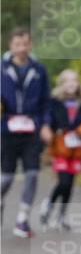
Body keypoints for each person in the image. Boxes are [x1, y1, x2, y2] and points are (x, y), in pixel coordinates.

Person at [1, 28, 52, 238]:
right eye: (17, 44)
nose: (22, 48)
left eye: (25, 44)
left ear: (30, 45)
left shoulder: (39, 70)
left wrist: (47, 124)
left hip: (32, 129)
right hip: (7, 129)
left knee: (32, 174)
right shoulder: (2, 68)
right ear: (10, 46)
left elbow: (46, 101)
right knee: (6, 177)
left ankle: (22, 219)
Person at [39, 69, 81, 230]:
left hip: (76, 149)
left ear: (78, 84)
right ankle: (49, 205)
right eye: (67, 81)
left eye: (74, 80)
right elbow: (48, 118)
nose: (71, 84)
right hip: (60, 147)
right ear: (61, 85)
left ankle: (62, 215)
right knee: (63, 181)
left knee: (70, 184)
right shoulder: (54, 102)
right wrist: (47, 128)